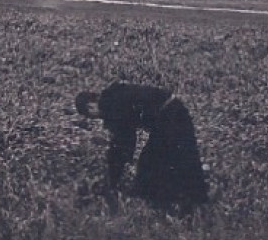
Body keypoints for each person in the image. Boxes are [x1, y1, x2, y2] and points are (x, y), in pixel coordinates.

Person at [76, 82, 209, 211]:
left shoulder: (109, 104)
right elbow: (125, 140)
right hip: (176, 111)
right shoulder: (114, 95)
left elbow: (123, 143)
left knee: (150, 163)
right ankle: (196, 200)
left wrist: (113, 179)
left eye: (90, 115)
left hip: (168, 117)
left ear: (90, 106)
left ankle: (161, 203)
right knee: (184, 156)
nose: (96, 118)